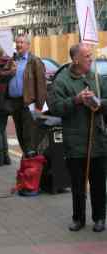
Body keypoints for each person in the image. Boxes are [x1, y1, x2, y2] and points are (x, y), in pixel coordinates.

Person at [49, 43, 107, 232]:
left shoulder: (96, 77)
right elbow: (56, 107)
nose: (91, 59)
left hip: (97, 139)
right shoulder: (62, 80)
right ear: (76, 60)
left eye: (91, 55)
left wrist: (97, 102)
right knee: (78, 184)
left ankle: (99, 218)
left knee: (98, 183)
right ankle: (78, 218)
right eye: (87, 56)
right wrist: (76, 100)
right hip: (75, 141)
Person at [7, 35, 47, 156]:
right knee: (20, 134)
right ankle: (28, 161)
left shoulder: (34, 61)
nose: (18, 45)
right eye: (17, 42)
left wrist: (39, 106)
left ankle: (32, 162)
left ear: (28, 45)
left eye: (22, 42)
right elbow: (4, 77)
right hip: (14, 103)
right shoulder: (12, 60)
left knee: (29, 135)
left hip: (28, 103)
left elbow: (41, 85)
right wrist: (9, 71)